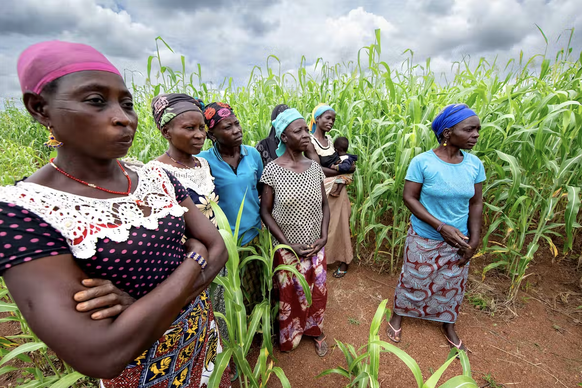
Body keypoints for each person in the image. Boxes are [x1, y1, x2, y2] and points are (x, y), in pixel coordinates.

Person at [0, 41, 231, 387]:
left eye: (127, 104)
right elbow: (101, 352)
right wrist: (195, 257)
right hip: (141, 373)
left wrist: (137, 303)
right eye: (95, 101)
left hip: (202, 336)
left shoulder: (156, 178)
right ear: (40, 109)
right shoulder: (25, 211)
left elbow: (220, 247)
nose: (123, 118)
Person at [386, 104, 485, 352]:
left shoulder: (474, 165)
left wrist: (475, 238)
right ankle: (399, 313)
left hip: (459, 238)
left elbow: (476, 202)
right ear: (448, 133)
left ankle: (447, 322)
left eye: (478, 130)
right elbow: (409, 198)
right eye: (470, 129)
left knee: (452, 283)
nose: (476, 134)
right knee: (413, 278)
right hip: (425, 236)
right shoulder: (423, 162)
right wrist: (441, 227)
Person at [146, 93, 230, 350]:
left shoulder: (203, 163)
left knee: (222, 310)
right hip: (188, 262)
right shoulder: (155, 172)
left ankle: (223, 362)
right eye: (189, 128)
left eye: (202, 128)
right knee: (194, 320)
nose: (199, 135)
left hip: (220, 253)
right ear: (165, 132)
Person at [259, 108, 330, 356]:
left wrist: (324, 237)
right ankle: (290, 336)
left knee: (318, 291)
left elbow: (324, 204)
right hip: (288, 249)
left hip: (315, 245)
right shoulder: (273, 170)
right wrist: (287, 244)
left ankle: (314, 330)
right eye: (297, 131)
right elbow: (266, 212)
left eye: (306, 130)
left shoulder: (313, 167)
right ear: (284, 137)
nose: (305, 135)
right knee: (290, 295)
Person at [198, 102, 264, 307]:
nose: (237, 130)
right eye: (227, 127)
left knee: (256, 287)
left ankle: (257, 329)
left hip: (253, 236)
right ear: (212, 135)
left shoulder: (252, 154)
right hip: (224, 241)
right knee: (231, 296)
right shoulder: (203, 162)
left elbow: (260, 190)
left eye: (236, 123)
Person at [305, 104, 354, 279]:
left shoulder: (330, 140)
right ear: (316, 119)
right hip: (322, 190)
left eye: (333, 119)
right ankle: (322, 260)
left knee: (339, 225)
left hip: (337, 191)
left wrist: (343, 171)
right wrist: (343, 172)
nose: (331, 122)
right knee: (322, 226)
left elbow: (338, 160)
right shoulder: (310, 142)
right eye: (327, 118)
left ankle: (344, 259)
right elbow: (317, 169)